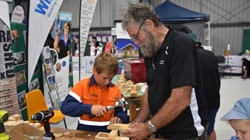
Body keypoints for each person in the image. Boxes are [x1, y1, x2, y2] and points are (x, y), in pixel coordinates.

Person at [121, 3, 208, 139]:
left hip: (186, 134)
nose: (136, 43)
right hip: (163, 130)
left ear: (149, 25)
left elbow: (181, 98)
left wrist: (148, 127)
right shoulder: (151, 50)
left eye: (136, 37)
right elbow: (151, 89)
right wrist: (138, 121)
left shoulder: (180, 44)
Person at [60, 52, 128, 132]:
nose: (107, 82)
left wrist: (119, 118)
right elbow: (65, 107)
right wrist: (89, 108)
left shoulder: (115, 89)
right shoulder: (82, 86)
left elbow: (122, 111)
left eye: (111, 78)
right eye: (104, 78)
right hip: (85, 133)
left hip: (108, 133)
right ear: (94, 70)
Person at [189, 33, 221, 140]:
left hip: (200, 102)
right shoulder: (211, 55)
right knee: (210, 129)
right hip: (214, 99)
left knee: (198, 132)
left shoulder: (190, 56)